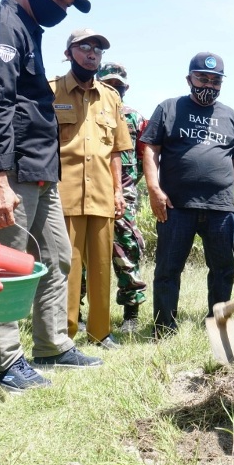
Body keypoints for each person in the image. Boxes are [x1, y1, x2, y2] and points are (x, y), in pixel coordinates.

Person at [0, 0, 103, 393]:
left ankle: (53, 344)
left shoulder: (28, 30)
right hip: (11, 167)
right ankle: (4, 363)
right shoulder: (0, 25)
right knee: (7, 262)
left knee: (55, 255)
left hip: (40, 168)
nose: (61, 8)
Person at [139, 52, 234, 335]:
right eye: (202, 78)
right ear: (189, 78)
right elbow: (150, 148)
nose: (208, 85)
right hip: (176, 206)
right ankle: (164, 328)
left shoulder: (230, 115)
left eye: (215, 81)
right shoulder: (169, 108)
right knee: (167, 269)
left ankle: (218, 323)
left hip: (221, 208)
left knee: (223, 269)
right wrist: (154, 189)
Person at [50, 29, 132, 348]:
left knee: (100, 269)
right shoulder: (51, 91)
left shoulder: (111, 98)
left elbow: (115, 151)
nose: (92, 53)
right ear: (69, 53)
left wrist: (117, 192)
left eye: (98, 48)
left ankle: (100, 332)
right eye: (84, 47)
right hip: (62, 195)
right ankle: (64, 334)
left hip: (101, 195)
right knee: (65, 270)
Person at [96, 62, 148, 334]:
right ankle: (78, 316)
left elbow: (144, 158)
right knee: (79, 251)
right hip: (88, 190)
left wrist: (125, 187)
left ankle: (131, 314)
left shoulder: (135, 119)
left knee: (126, 248)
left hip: (123, 195)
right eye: (108, 84)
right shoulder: (88, 112)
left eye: (118, 85)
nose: (114, 90)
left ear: (125, 88)